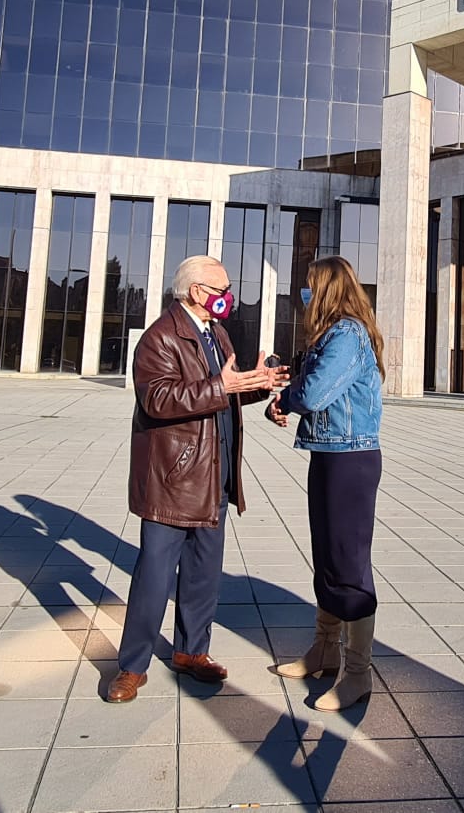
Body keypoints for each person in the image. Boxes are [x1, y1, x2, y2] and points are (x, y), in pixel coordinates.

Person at [108, 255, 285, 704]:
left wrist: (256, 384)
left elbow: (221, 393)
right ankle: (132, 666)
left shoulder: (217, 333)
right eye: (220, 289)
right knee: (154, 575)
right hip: (173, 478)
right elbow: (159, 400)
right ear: (194, 291)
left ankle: (191, 652)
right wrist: (223, 388)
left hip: (214, 476)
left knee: (204, 575)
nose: (227, 298)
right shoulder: (159, 338)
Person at [264, 256, 384, 710]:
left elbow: (313, 393)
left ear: (329, 289)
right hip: (330, 454)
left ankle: (357, 674)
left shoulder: (348, 334)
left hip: (351, 460)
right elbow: (311, 389)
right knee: (327, 557)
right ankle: (324, 651)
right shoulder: (332, 335)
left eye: (310, 286)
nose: (305, 295)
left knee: (349, 563)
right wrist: (284, 400)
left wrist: (290, 398)